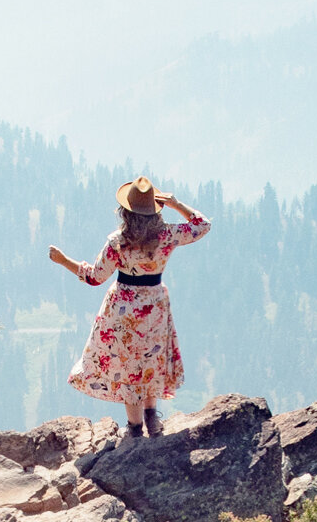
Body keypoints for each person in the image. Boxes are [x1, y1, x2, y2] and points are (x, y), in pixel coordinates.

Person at [51, 176, 209, 435]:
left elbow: (94, 277)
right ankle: (152, 418)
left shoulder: (118, 241)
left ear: (125, 211)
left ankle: (134, 427)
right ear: (156, 209)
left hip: (123, 308)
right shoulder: (168, 235)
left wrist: (64, 260)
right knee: (151, 358)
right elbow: (202, 225)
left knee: (128, 364)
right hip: (155, 305)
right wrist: (177, 204)